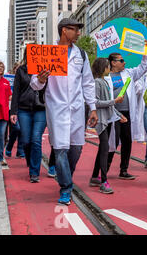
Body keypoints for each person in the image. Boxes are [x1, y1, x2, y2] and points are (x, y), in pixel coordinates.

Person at [30, 18, 98, 205]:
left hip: (76, 109)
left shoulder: (81, 55)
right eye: (75, 30)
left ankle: (66, 175)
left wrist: (92, 108)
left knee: (75, 149)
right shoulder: (47, 53)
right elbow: (34, 84)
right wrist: (42, 80)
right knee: (60, 150)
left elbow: (88, 83)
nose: (78, 33)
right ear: (64, 31)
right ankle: (66, 187)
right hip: (56, 109)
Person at [106, 50, 147, 181]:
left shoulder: (128, 73)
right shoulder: (106, 76)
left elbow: (143, 67)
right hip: (112, 114)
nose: (124, 62)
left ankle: (123, 170)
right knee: (111, 142)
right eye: (121, 61)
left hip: (127, 114)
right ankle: (104, 170)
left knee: (127, 141)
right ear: (113, 63)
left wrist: (146, 53)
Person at [89, 58, 127, 194]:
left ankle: (94, 176)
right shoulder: (97, 82)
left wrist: (118, 114)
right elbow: (96, 102)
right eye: (106, 66)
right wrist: (114, 101)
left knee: (103, 148)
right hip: (101, 120)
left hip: (108, 118)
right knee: (105, 148)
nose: (108, 68)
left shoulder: (104, 81)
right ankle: (104, 181)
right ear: (102, 68)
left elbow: (109, 104)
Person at [10, 47, 47, 183]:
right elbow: (16, 92)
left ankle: (34, 172)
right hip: (24, 109)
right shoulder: (21, 70)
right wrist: (13, 111)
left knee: (36, 139)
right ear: (27, 55)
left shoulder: (46, 70)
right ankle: (30, 160)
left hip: (41, 109)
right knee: (26, 140)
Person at [5, 61, 25, 159]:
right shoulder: (9, 79)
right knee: (16, 128)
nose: (19, 70)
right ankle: (9, 147)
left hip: (22, 107)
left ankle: (20, 151)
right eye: (17, 68)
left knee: (22, 129)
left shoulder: (26, 78)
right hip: (11, 107)